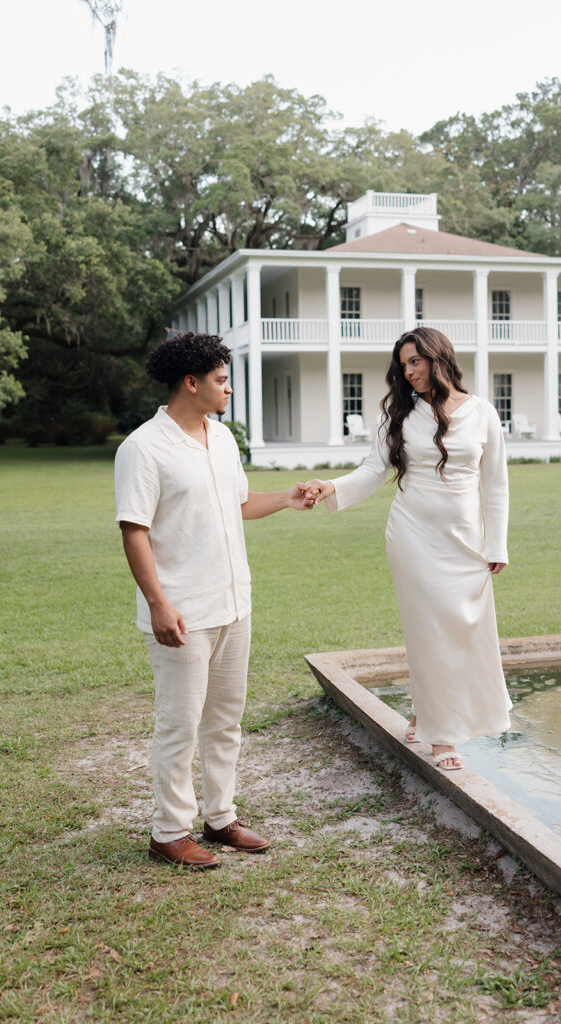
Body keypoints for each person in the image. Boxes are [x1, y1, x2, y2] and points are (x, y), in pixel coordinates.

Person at [114, 332, 314, 870]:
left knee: (225, 718)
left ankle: (220, 817)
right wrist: (157, 602)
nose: (229, 389)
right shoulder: (143, 448)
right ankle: (168, 831)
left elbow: (242, 503)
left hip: (233, 604)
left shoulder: (221, 438)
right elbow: (135, 531)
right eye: (222, 380)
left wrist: (291, 499)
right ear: (191, 382)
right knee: (179, 722)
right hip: (182, 612)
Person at [305, 327, 511, 771]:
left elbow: (496, 486)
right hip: (413, 535)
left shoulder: (483, 413)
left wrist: (497, 544)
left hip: (466, 542)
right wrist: (329, 486)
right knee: (429, 630)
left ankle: (423, 709)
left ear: (438, 358)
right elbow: (370, 472)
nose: (409, 372)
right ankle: (443, 734)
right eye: (403, 365)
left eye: (414, 361)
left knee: (464, 629)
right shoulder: (401, 414)